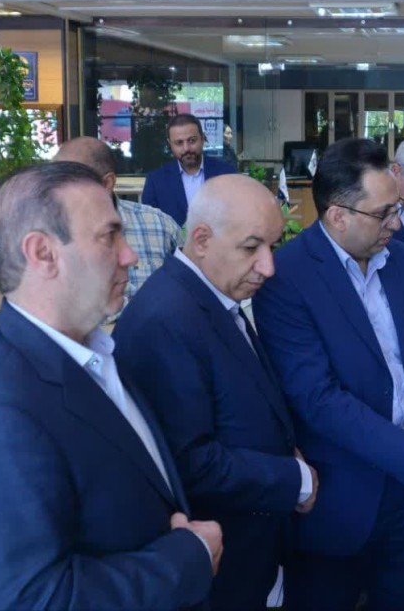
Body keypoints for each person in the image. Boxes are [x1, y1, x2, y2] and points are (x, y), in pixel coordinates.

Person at [252, 138, 404, 610]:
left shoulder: (400, 259)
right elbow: (319, 399)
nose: (396, 224)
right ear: (339, 215)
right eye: (383, 214)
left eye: (396, 209)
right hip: (336, 503)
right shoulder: (287, 278)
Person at [0, 162, 220, 608]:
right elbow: (31, 599)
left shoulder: (94, 348)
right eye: (110, 236)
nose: (130, 256)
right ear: (43, 253)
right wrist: (189, 558)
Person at [113, 175, 319, 610]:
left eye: (272, 246)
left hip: (251, 550)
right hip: (222, 567)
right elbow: (190, 462)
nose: (268, 267)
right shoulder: (166, 319)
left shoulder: (205, 299)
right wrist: (294, 478)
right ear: (202, 239)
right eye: (251, 248)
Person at [54, 136, 182, 307]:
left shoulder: (160, 226)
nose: (57, 191)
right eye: (54, 181)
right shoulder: (50, 236)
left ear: (107, 183)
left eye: (69, 181)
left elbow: (192, 293)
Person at [141, 113, 237, 226]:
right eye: (179, 143)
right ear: (170, 144)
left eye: (192, 140)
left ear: (202, 139)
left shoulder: (227, 174)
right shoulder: (156, 181)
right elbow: (150, 226)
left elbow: (236, 217)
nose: (186, 148)